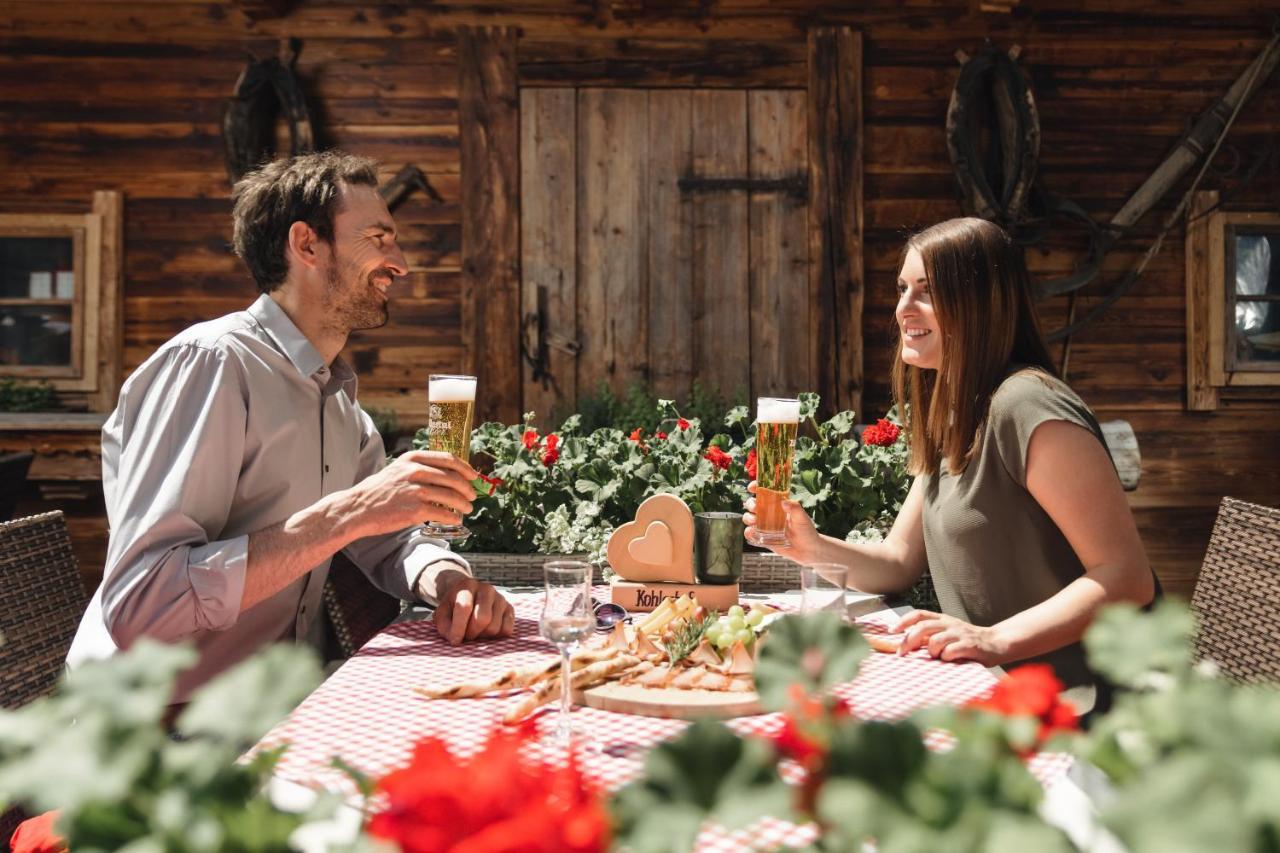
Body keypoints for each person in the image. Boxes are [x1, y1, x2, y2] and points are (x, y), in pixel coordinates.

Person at [67, 151, 514, 703]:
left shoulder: (333, 397)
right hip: (152, 731)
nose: (401, 263)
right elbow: (144, 606)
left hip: (268, 711)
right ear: (306, 244)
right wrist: (349, 513)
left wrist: (446, 580)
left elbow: (390, 536)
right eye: (378, 237)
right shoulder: (212, 365)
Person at [744, 216, 1156, 711]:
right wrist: (809, 547)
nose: (903, 309)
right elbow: (898, 562)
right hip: (988, 691)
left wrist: (994, 640)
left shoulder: (1027, 406)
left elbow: (1127, 578)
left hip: (1082, 709)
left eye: (927, 291)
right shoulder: (957, 410)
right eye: (901, 289)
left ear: (979, 304)